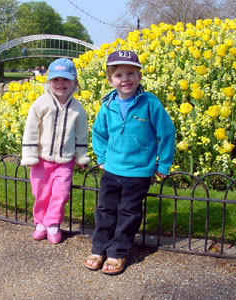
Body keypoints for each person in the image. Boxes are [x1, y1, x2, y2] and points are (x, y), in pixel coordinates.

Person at [84, 50, 176, 275]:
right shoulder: (108, 105)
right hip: (112, 169)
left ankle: (117, 252)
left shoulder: (149, 103)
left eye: (131, 73)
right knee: (105, 209)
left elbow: (167, 133)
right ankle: (99, 248)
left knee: (128, 212)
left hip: (138, 171)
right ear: (110, 80)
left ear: (140, 76)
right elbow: (99, 133)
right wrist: (103, 157)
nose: (125, 79)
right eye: (119, 75)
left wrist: (163, 164)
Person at [21, 58, 90, 244]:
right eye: (56, 80)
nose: (61, 84)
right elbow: (31, 129)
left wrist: (81, 156)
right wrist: (29, 154)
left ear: (75, 82)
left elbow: (82, 134)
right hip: (41, 160)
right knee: (41, 193)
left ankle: (52, 224)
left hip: (65, 162)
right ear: (49, 82)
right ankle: (40, 223)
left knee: (60, 194)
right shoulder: (41, 104)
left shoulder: (77, 108)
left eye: (66, 80)